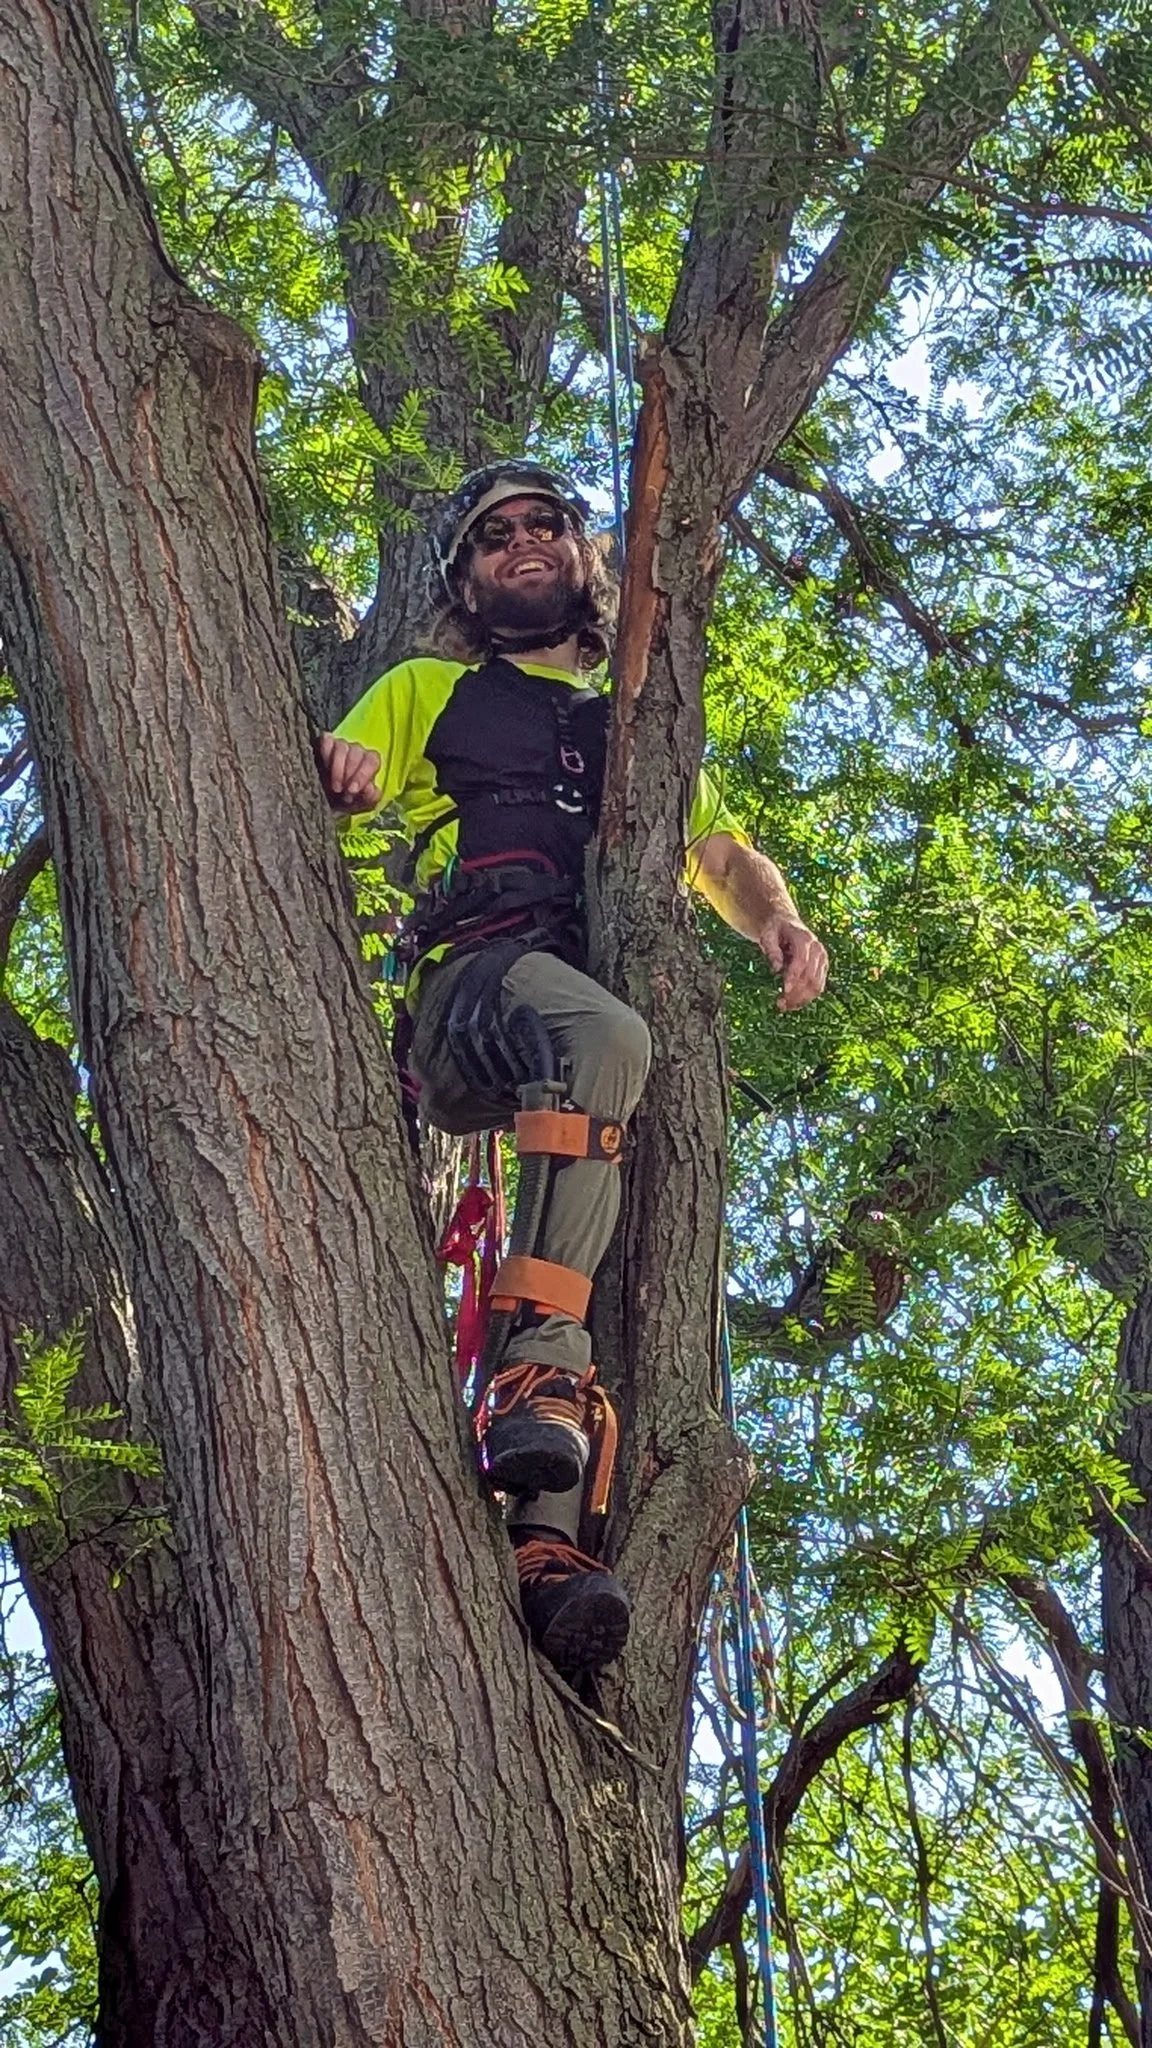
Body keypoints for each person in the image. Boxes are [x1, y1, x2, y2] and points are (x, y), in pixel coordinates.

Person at [316, 462, 827, 1676]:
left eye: (546, 523)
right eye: (493, 536)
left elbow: (715, 846)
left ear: (585, 556)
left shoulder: (635, 726)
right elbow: (343, 774)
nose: (522, 543)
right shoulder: (426, 686)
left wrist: (779, 922)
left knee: (613, 1191)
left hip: (584, 1030)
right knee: (606, 1039)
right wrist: (346, 777)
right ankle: (533, 1376)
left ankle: (548, 1552)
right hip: (478, 993)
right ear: (468, 579)